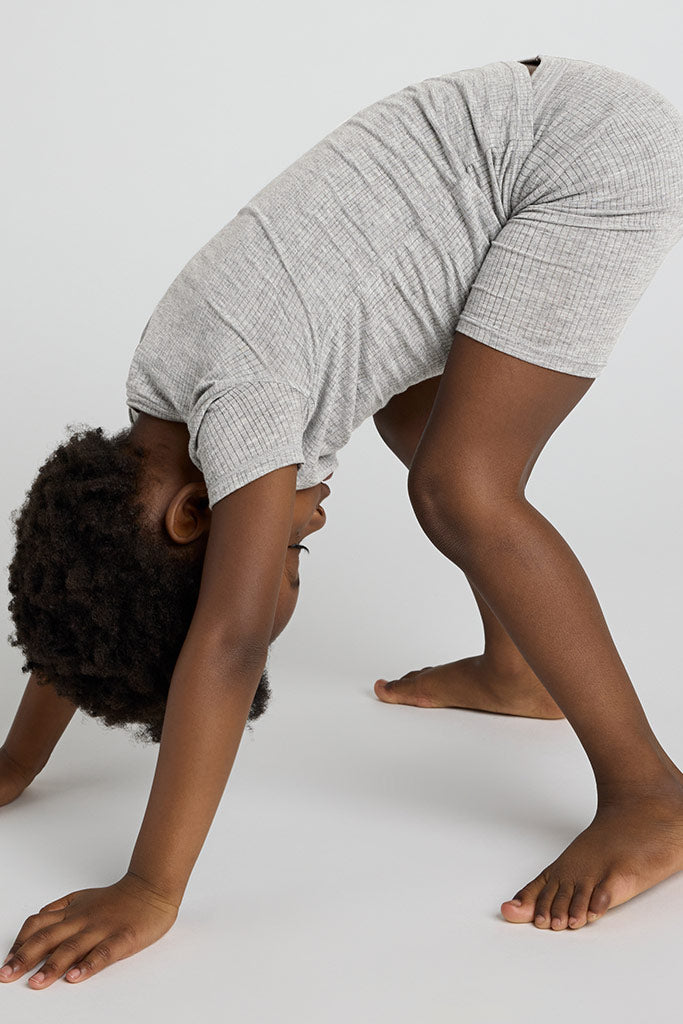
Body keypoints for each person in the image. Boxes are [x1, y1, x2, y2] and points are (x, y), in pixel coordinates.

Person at [3, 52, 683, 989]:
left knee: (460, 489)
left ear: (198, 513)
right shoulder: (157, 408)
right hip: (500, 148)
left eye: (286, 552)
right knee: (420, 424)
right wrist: (16, 763)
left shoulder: (242, 406)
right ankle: (516, 671)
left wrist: (149, 889)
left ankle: (650, 793)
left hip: (580, 158)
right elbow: (93, 590)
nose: (305, 535)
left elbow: (228, 641)